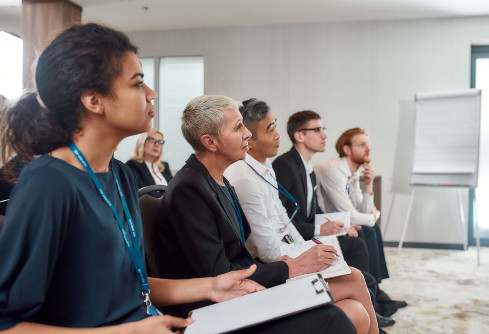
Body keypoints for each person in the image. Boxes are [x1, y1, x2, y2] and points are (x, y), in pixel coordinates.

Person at [0, 23, 267, 334]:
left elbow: (132, 284)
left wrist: (211, 286)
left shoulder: (122, 175)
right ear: (93, 100)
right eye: (138, 83)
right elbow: (7, 324)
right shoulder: (48, 183)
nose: (151, 94)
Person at [155, 94, 378, 334]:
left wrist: (285, 264)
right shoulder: (189, 189)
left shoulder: (218, 180)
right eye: (238, 127)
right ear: (211, 142)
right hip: (214, 307)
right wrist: (291, 268)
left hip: (243, 285)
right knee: (351, 312)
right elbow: (219, 275)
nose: (247, 134)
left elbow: (237, 257)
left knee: (354, 280)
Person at [225, 99, 395, 331]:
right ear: (249, 138)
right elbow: (266, 248)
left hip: (286, 249)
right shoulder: (249, 175)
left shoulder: (267, 169)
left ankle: (374, 310)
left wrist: (304, 246)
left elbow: (285, 218)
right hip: (273, 263)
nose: (277, 135)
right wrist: (305, 255)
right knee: (356, 275)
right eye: (270, 128)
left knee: (356, 269)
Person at [314, 127, 407, 308]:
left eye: (368, 145)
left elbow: (359, 208)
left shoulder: (353, 172)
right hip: (326, 224)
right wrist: (373, 216)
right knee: (369, 229)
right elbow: (352, 216)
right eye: (362, 145)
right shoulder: (335, 170)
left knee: (374, 228)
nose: (368, 149)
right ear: (347, 149)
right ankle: (371, 294)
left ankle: (376, 289)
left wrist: (369, 185)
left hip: (342, 220)